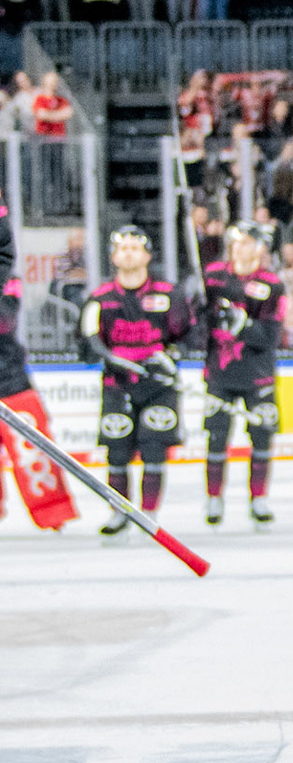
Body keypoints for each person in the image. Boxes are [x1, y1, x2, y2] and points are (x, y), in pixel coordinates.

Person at [81, 227, 193, 536]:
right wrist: (107, 356)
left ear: (147, 255)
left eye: (135, 247)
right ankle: (118, 512)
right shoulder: (100, 299)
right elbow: (88, 347)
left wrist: (172, 355)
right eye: (123, 248)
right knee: (116, 451)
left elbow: (189, 334)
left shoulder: (168, 294)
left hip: (159, 384)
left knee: (154, 448)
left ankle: (149, 513)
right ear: (114, 256)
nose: (128, 253)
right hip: (117, 384)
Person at [199, 221, 287, 528]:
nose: (240, 246)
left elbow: (271, 336)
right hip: (220, 370)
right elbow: (198, 320)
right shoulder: (212, 276)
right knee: (216, 435)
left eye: (248, 242)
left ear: (260, 247)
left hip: (257, 372)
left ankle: (258, 498)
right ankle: (214, 497)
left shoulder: (271, 284)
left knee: (262, 435)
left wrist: (242, 324)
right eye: (236, 241)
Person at [0, 194, 78, 532]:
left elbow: (6, 320)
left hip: (8, 378)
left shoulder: (7, 279)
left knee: (32, 449)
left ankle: (53, 514)